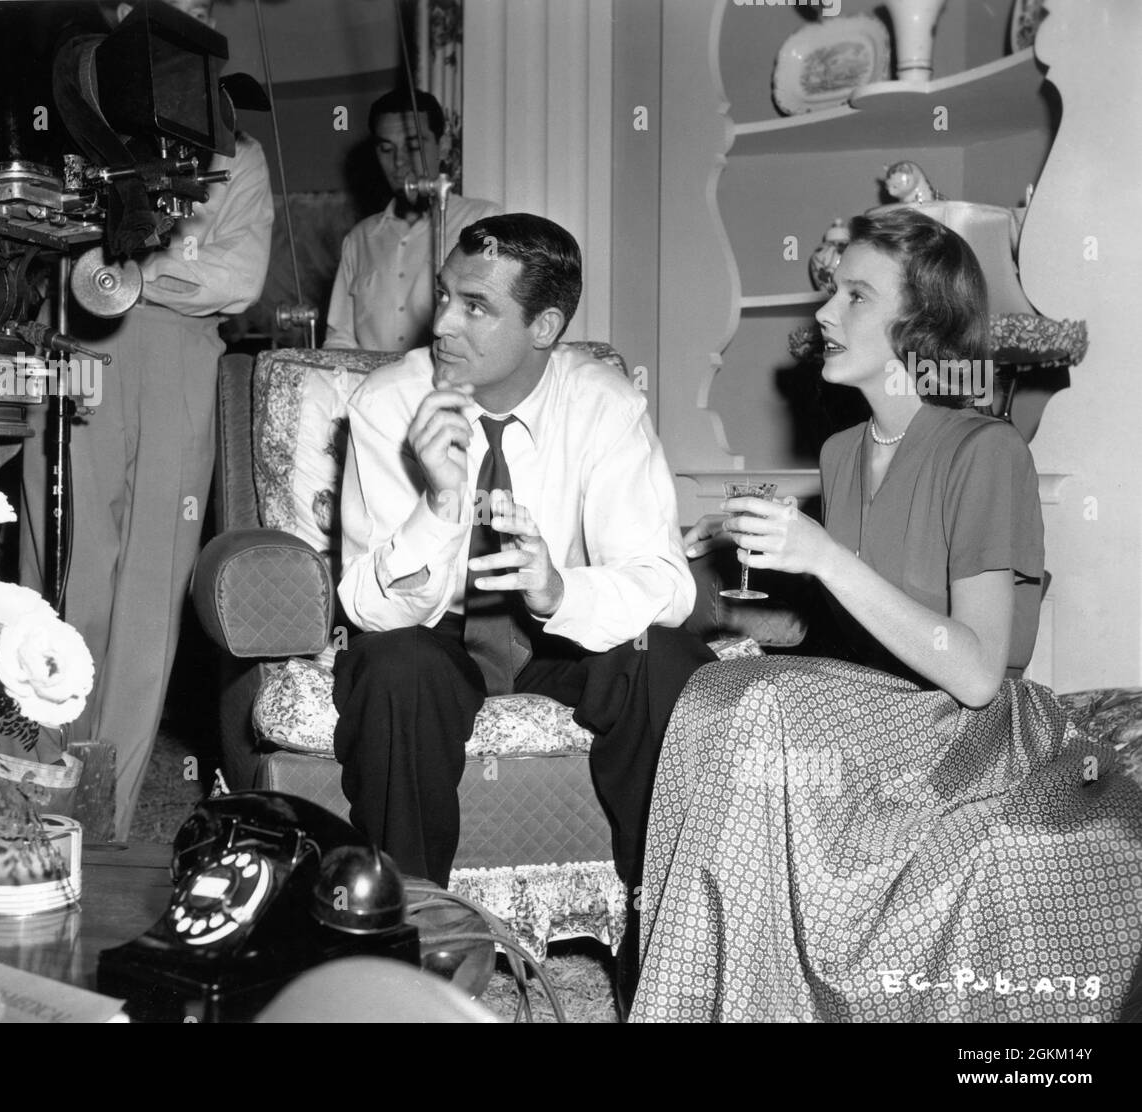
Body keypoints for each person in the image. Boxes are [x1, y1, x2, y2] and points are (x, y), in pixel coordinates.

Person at [632, 208, 1142, 1022]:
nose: (825, 314)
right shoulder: (841, 453)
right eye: (832, 291)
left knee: (755, 704)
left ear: (922, 325)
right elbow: (847, 637)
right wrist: (698, 592)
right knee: (713, 698)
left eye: (856, 296)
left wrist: (823, 557)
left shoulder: (988, 452)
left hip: (973, 738)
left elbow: (977, 671)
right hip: (880, 723)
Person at [333, 213, 716, 895]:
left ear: (544, 328)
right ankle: (409, 940)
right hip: (436, 639)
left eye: (476, 306)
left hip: (558, 643)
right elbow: (367, 605)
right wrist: (441, 504)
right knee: (394, 668)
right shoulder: (391, 401)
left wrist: (561, 594)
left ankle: (668, 935)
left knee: (666, 661)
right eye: (446, 295)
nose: (443, 322)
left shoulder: (603, 404)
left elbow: (667, 586)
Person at [20, 0, 275, 840]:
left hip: (178, 364)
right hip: (73, 354)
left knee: (148, 595)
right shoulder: (59, 121)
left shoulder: (236, 154)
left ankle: (98, 817)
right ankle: (32, 807)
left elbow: (236, 281)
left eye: (198, 6)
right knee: (61, 572)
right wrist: (166, 259)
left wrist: (124, 267)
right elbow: (36, 248)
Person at [323, 88, 499, 351]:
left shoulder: (483, 221)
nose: (399, 162)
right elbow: (340, 340)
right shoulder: (359, 239)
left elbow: (497, 324)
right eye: (386, 149)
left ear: (444, 146)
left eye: (414, 146)